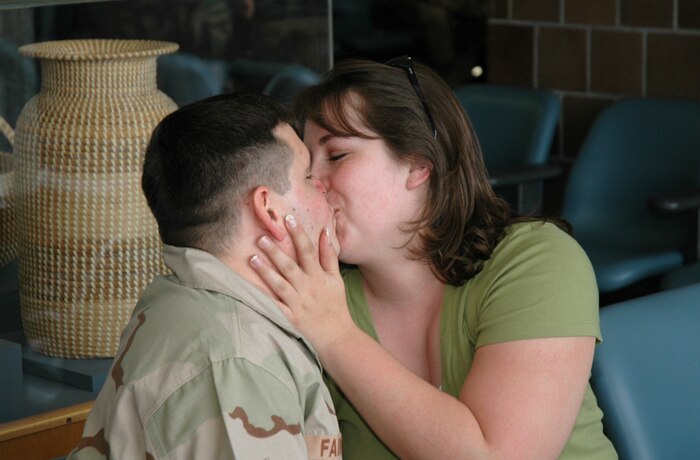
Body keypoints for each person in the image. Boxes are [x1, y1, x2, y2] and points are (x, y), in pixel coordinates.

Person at [249, 57, 619, 459]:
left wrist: (334, 335)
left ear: (418, 165)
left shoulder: (538, 262)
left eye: (336, 156)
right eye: (305, 167)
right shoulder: (315, 292)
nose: (313, 183)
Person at [69, 92, 342, 459]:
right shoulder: (233, 363)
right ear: (271, 211)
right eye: (308, 176)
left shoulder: (180, 301)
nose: (324, 186)